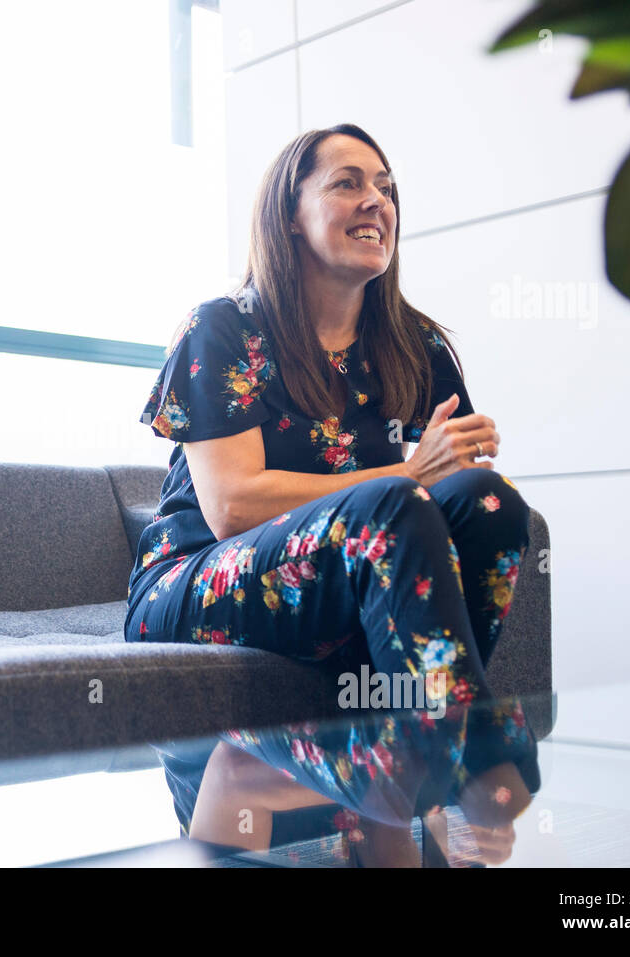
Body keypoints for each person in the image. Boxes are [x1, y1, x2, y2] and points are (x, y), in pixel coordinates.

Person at [125, 124, 540, 866]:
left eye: (385, 187)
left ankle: (415, 747)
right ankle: (466, 756)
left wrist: (441, 475)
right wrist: (408, 476)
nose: (375, 200)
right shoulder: (222, 328)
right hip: (195, 585)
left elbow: (449, 499)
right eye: (348, 182)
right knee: (396, 503)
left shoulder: (417, 345)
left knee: (489, 502)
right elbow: (231, 507)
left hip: (337, 587)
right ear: (290, 211)